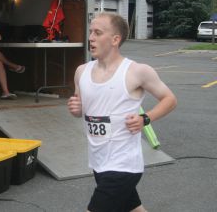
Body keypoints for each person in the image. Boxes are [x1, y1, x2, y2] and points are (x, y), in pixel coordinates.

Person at [67, 13, 177, 212]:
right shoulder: (81, 71)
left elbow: (170, 99)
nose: (91, 37)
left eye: (98, 33)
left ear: (115, 39)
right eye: (91, 32)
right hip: (99, 162)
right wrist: (76, 109)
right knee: (134, 208)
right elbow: (81, 110)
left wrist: (146, 118)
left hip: (123, 165)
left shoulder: (136, 71)